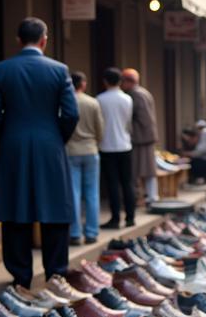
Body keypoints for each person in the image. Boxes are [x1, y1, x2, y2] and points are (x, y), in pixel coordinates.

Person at [0, 16, 78, 287]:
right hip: (51, 146)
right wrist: (57, 137)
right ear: (44, 40)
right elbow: (71, 113)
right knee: (55, 210)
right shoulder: (59, 70)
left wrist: (8, 135)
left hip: (14, 146)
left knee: (16, 210)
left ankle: (21, 279)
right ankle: (56, 276)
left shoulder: (1, 70)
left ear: (18, 40)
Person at [96, 67, 136, 229]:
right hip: (125, 144)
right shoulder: (127, 99)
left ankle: (115, 218)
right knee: (127, 182)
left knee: (112, 183)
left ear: (105, 81)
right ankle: (130, 217)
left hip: (106, 145)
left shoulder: (100, 99)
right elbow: (128, 122)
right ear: (120, 81)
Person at [67, 71, 103, 245]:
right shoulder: (92, 102)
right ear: (83, 84)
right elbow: (100, 128)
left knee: (73, 192)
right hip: (90, 149)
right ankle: (91, 232)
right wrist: (97, 143)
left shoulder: (65, 101)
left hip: (71, 150)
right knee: (92, 193)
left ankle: (74, 233)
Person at [121, 68, 158, 208]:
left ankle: (146, 197)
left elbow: (143, 118)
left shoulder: (135, 94)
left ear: (129, 81)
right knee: (147, 170)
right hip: (145, 137)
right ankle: (150, 196)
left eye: (123, 81)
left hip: (141, 138)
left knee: (138, 170)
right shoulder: (142, 92)